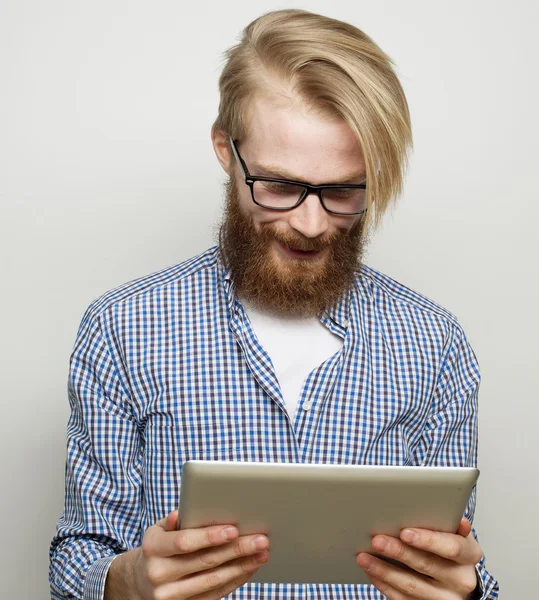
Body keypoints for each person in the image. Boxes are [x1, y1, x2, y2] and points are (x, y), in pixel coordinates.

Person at [50, 8, 499, 600]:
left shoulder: (434, 344)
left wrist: (465, 591)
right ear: (225, 151)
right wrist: (126, 581)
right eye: (281, 186)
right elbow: (79, 551)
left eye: (343, 190)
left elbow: (458, 562)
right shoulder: (122, 329)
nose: (311, 224)